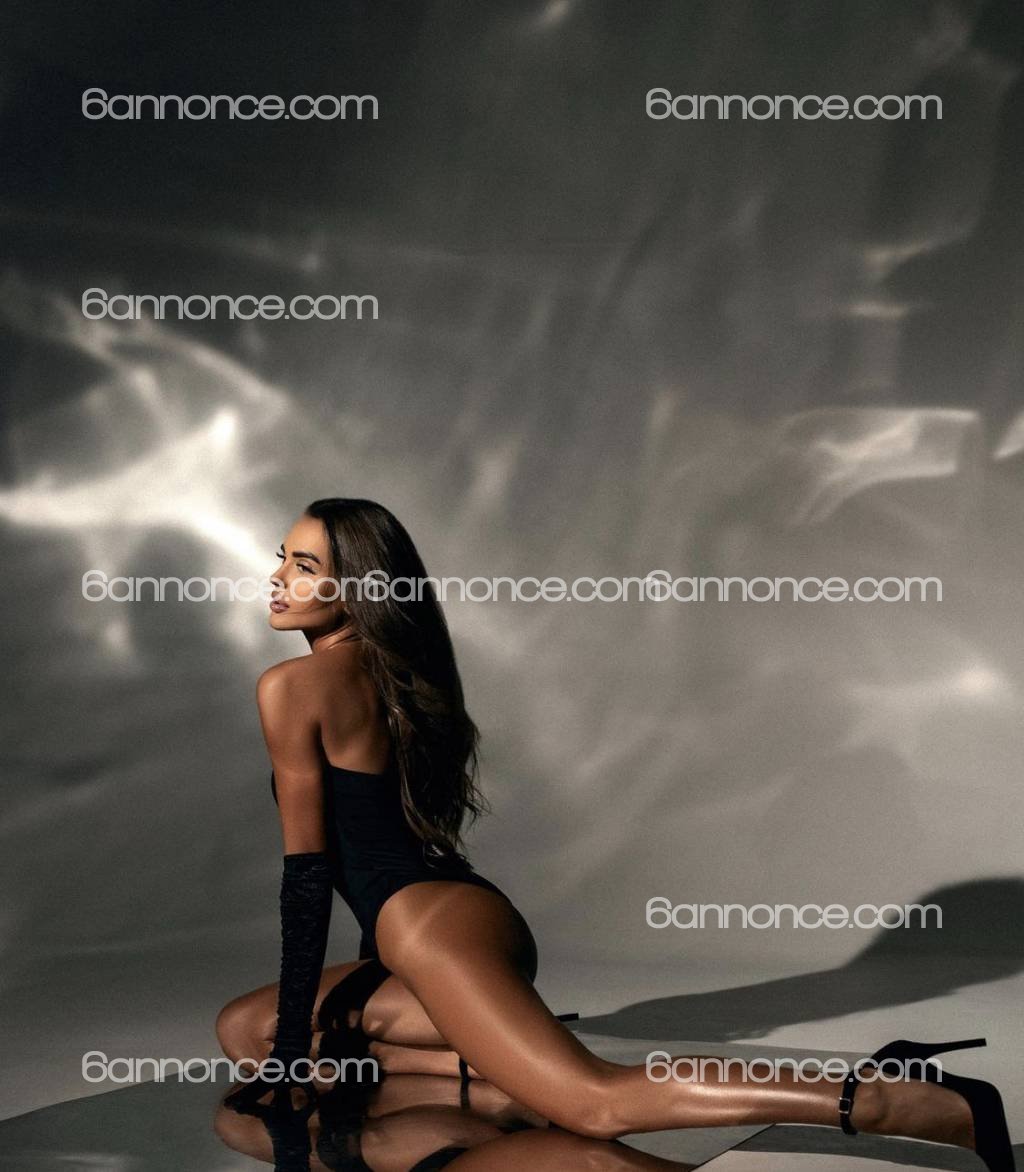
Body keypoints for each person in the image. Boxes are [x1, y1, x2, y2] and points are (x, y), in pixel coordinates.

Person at [215, 498, 1014, 1171]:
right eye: (283, 558)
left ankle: (894, 1100)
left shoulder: (290, 687)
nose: (279, 579)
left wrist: (294, 1057)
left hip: (429, 931)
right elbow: (375, 846)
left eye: (307, 567)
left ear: (358, 588)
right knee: (244, 1029)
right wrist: (317, 1020)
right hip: (457, 919)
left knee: (595, 1105)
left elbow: (309, 879)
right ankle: (495, 1065)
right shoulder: (394, 671)